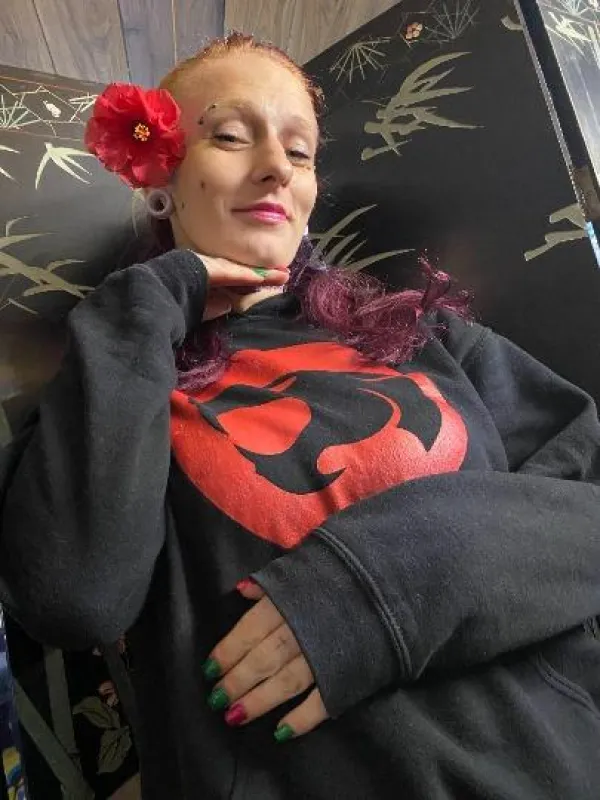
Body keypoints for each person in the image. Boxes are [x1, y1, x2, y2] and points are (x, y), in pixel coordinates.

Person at [1, 31, 600, 800]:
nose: (277, 168)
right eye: (229, 136)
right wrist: (146, 302)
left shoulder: (424, 336)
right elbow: (73, 598)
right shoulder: (118, 376)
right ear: (162, 175)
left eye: (300, 151)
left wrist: (404, 578)